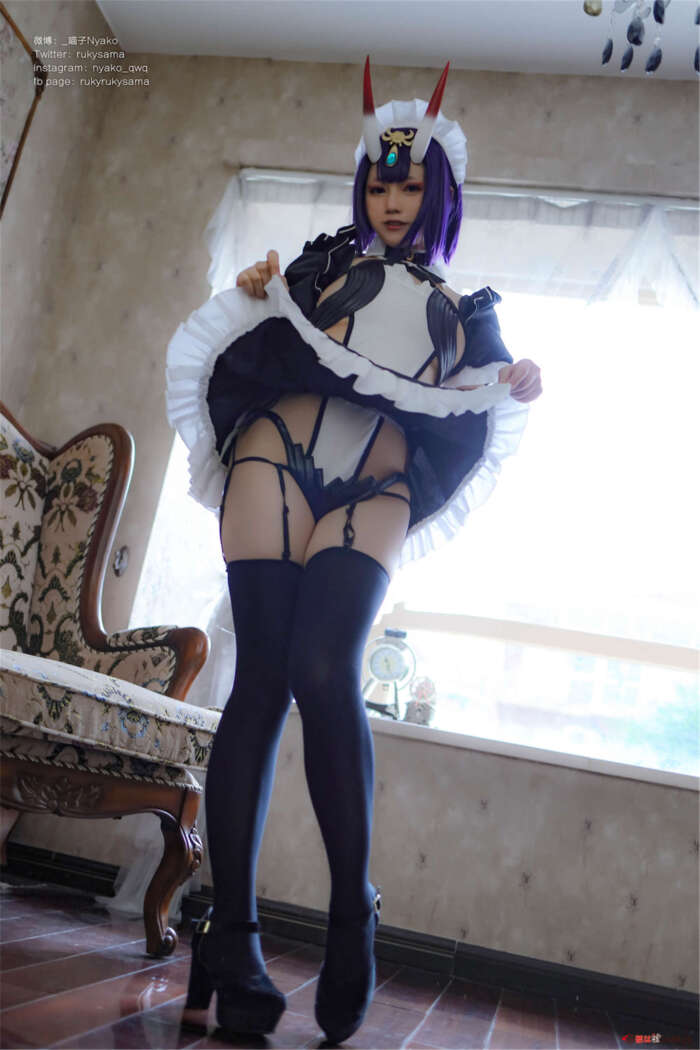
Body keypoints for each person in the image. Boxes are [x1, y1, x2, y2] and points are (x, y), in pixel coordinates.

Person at [167, 57, 542, 1044]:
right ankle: (233, 936)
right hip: (274, 456)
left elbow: (492, 376)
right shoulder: (321, 263)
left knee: (326, 669)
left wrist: (520, 375)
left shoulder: (466, 307)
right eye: (378, 184)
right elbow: (264, 322)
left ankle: (350, 915)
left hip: (375, 483)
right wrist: (256, 286)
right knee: (259, 681)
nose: (391, 200)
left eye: (409, 186)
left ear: (437, 194)